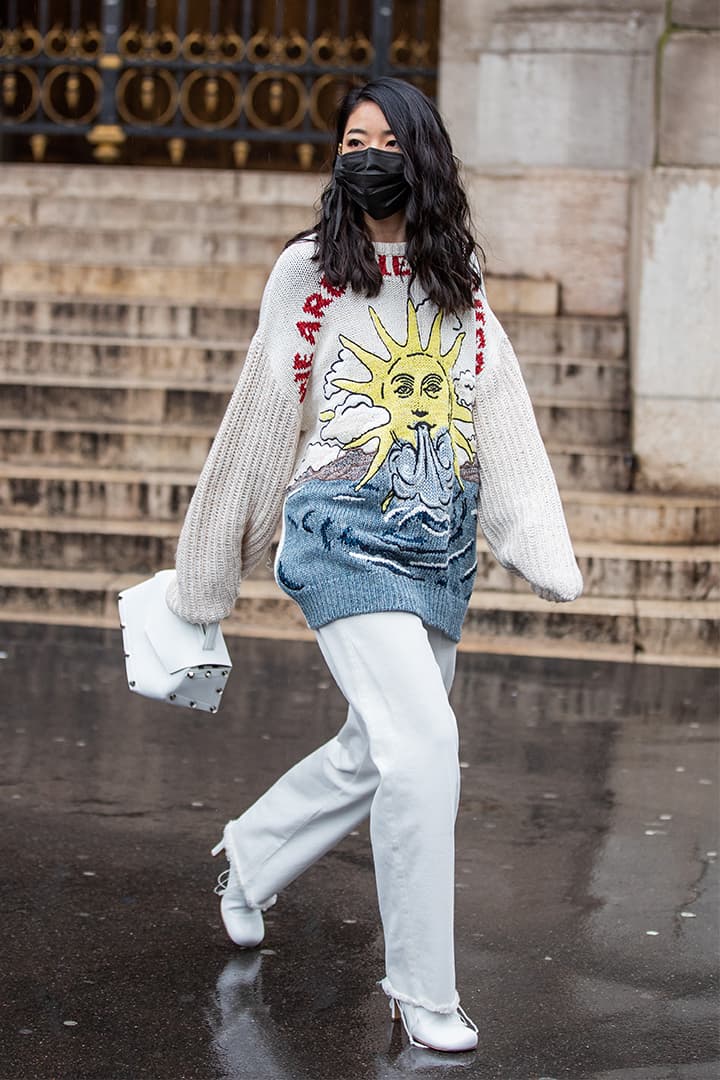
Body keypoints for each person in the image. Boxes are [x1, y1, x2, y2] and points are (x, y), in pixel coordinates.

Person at [167, 76, 583, 1054]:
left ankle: (250, 856)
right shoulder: (308, 273)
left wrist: (536, 537)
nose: (368, 154)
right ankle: (422, 993)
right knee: (424, 745)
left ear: (422, 157)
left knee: (375, 750)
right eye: (353, 138)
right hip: (338, 539)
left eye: (387, 140)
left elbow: (502, 413)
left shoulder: (457, 277)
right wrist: (204, 580)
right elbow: (258, 426)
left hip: (436, 551)